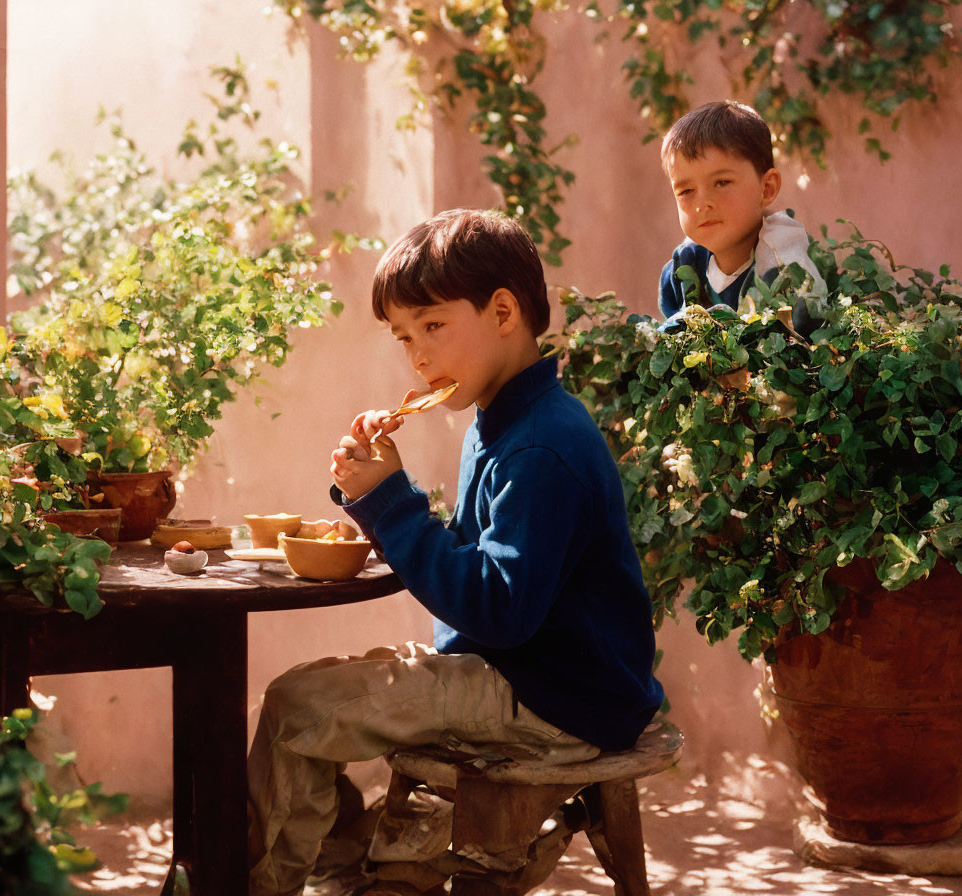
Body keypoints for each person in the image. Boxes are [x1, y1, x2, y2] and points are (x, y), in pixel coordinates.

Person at [246, 208, 665, 896]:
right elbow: (487, 564)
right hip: (528, 671)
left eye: (433, 326)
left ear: (504, 311)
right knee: (306, 701)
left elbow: (500, 609)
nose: (417, 356)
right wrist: (385, 501)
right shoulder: (504, 421)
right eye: (404, 337)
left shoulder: (539, 445)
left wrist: (390, 503)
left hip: (552, 694)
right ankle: (355, 859)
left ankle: (267, 880)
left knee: (298, 708)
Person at [657, 100, 825, 332]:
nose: (702, 204)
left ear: (766, 189)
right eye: (686, 191)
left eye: (722, 182)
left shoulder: (786, 264)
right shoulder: (683, 268)